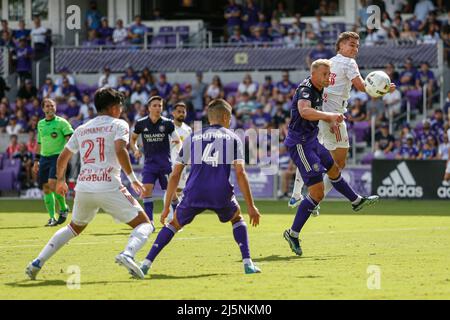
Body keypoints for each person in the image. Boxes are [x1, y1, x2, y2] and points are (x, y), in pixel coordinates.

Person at [26, 88, 154, 281]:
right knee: (145, 224)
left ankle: (37, 262)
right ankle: (128, 254)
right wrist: (133, 178)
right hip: (109, 185)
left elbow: (62, 158)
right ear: (112, 108)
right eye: (120, 106)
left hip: (84, 187)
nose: (121, 110)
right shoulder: (119, 124)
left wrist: (61, 181)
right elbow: (120, 150)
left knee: (73, 228)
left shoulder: (82, 128)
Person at [135, 99, 262, 279]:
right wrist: (251, 206)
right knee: (236, 217)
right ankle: (248, 263)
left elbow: (175, 174)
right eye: (230, 117)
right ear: (226, 117)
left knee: (173, 224)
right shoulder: (233, 137)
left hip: (194, 190)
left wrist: (165, 208)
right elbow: (240, 173)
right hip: (220, 192)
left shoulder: (193, 137)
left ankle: (145, 263)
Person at [289, 32, 395, 213]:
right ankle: (313, 198)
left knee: (310, 152)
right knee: (338, 164)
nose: (355, 49)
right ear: (341, 46)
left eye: (357, 46)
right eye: (351, 45)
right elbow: (363, 87)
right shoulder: (349, 63)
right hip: (333, 119)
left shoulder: (329, 63)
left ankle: (296, 194)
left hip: (320, 115)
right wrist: (384, 90)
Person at [283, 59, 379, 256]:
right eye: (325, 75)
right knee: (317, 193)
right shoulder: (306, 89)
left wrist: (331, 119)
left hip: (311, 141)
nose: (329, 78)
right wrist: (329, 117)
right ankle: (292, 233)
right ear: (315, 74)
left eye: (330, 75)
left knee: (335, 169)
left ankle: (356, 201)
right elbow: (304, 111)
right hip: (300, 144)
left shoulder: (319, 89)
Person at [130, 96, 181, 223]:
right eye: (155, 105)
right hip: (149, 165)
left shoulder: (168, 123)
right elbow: (133, 139)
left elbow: (177, 139)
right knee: (146, 192)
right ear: (149, 108)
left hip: (165, 165)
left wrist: (177, 143)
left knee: (172, 195)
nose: (158, 108)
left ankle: (177, 220)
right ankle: (150, 223)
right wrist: (135, 150)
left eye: (160, 105)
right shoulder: (141, 123)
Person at [33, 99, 73, 227]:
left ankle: (63, 207)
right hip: (44, 158)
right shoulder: (40, 124)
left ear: (55, 108)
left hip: (57, 157)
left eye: (52, 106)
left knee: (52, 184)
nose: (50, 108)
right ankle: (51, 217)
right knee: (46, 188)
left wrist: (67, 156)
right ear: (43, 109)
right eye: (47, 106)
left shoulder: (62, 123)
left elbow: (71, 140)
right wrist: (36, 160)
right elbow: (39, 143)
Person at [167, 102, 193, 222]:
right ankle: (171, 217)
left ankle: (174, 216)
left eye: (183, 111)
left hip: (182, 164)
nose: (181, 113)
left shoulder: (188, 129)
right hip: (168, 162)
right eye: (179, 111)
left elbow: (189, 147)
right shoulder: (167, 126)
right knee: (170, 189)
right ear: (173, 113)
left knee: (178, 190)